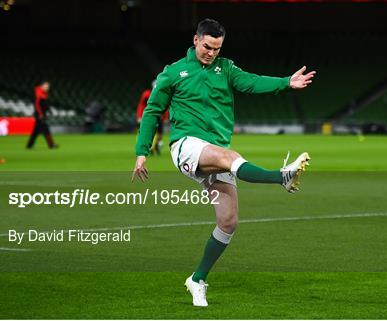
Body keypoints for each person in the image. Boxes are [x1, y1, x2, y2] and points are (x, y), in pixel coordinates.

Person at [133, 18, 314, 307]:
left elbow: (252, 82)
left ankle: (197, 279)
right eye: (207, 47)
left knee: (228, 222)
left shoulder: (226, 68)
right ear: (196, 40)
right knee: (230, 158)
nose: (211, 53)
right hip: (186, 145)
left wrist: (286, 83)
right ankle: (281, 177)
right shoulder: (172, 73)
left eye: (217, 48)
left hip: (215, 150)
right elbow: (153, 110)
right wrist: (142, 151)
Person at [136, 81, 168, 155]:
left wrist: (165, 117)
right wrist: (140, 116)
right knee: (150, 132)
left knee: (160, 134)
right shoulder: (146, 94)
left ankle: (156, 146)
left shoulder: (163, 94)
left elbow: (166, 106)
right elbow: (141, 105)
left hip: (159, 116)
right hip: (149, 116)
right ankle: (149, 148)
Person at [26, 81, 58, 149]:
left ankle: (29, 145)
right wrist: (40, 114)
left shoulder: (44, 93)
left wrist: (49, 111)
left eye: (48, 86)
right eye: (46, 86)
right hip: (40, 115)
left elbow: (45, 104)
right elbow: (37, 105)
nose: (47, 87)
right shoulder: (38, 93)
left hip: (42, 114)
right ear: (42, 86)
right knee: (46, 129)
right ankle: (51, 144)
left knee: (36, 131)